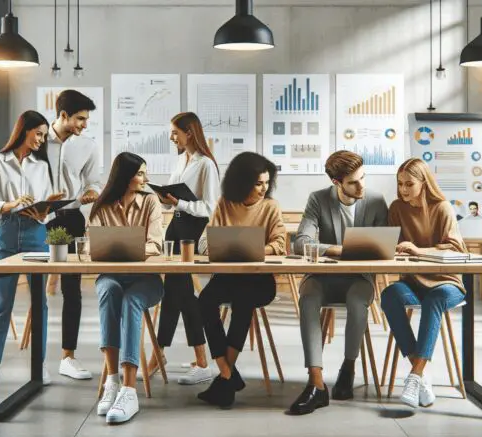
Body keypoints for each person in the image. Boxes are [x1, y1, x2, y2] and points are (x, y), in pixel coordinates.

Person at [0, 110, 65, 392]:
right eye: (38, 134)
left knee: (39, 304)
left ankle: (38, 365)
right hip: (5, 233)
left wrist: (45, 211)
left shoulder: (41, 166)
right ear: (24, 130)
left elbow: (47, 212)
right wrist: (11, 204)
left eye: (45, 136)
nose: (41, 140)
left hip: (35, 234)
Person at [287, 151, 389, 415]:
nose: (361, 185)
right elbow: (300, 243)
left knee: (357, 303)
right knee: (308, 299)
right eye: (354, 182)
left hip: (360, 278)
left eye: (363, 178)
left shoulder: (377, 201)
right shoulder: (318, 199)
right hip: (323, 277)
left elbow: (384, 247)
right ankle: (316, 383)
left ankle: (348, 366)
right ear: (337, 182)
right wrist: (338, 250)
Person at [195, 152, 286, 409]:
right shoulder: (224, 204)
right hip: (227, 277)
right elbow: (204, 243)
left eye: (267, 182)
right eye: (258, 183)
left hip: (259, 280)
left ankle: (224, 379)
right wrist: (227, 246)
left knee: (243, 302)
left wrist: (251, 247)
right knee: (204, 302)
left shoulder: (270, 207)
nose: (264, 188)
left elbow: (280, 244)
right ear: (242, 182)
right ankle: (227, 374)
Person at [380, 157, 467, 409]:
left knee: (435, 299)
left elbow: (455, 248)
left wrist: (417, 250)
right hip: (413, 280)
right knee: (390, 295)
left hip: (447, 282)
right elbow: (390, 243)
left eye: (409, 184)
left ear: (424, 183)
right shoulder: (397, 208)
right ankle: (420, 373)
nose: (403, 189)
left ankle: (415, 376)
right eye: (400, 184)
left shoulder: (442, 208)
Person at [90, 152, 165, 424]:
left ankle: (130, 390)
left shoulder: (151, 203)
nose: (145, 179)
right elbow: (91, 247)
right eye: (141, 173)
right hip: (111, 276)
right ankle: (112, 382)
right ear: (126, 176)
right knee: (109, 290)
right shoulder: (101, 206)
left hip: (147, 281)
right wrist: (123, 252)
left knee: (131, 300)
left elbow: (155, 244)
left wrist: (123, 250)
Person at [150, 112, 220, 385]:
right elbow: (173, 201)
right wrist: (165, 199)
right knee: (173, 293)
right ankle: (163, 353)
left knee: (181, 294)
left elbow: (210, 208)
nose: (171, 137)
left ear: (189, 133)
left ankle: (199, 361)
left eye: (175, 132)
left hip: (192, 231)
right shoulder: (181, 160)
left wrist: (178, 203)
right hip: (175, 228)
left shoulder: (206, 165)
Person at [46, 89, 102, 380]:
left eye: (87, 119)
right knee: (35, 288)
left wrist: (92, 191)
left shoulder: (88, 146)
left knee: (72, 290)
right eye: (80, 118)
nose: (84, 124)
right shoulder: (38, 141)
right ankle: (36, 359)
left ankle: (68, 356)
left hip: (71, 219)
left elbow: (93, 182)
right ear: (63, 115)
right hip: (40, 218)